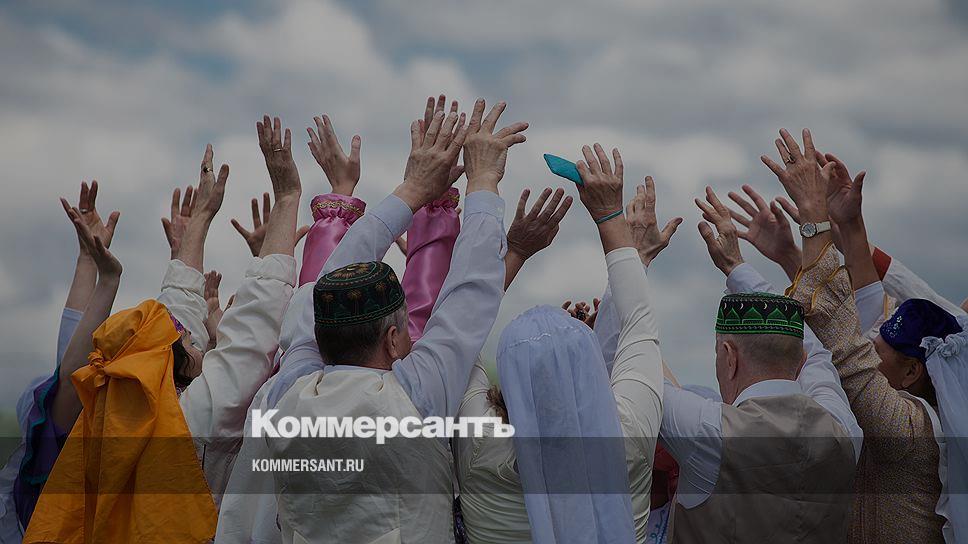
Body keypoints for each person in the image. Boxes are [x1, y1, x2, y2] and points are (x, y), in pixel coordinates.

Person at [262, 97, 525, 543]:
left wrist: (415, 189)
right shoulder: (414, 399)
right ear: (391, 339)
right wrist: (481, 179)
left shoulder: (285, 395)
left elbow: (323, 290)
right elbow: (468, 295)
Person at [764, 129, 962, 543]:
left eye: (880, 346)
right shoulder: (911, 400)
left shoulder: (909, 430)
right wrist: (849, 224)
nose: (870, 344)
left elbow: (846, 345)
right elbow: (863, 310)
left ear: (912, 372)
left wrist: (814, 217)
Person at [457, 166, 670, 543]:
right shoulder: (628, 434)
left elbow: (461, 336)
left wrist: (517, 251)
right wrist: (608, 214)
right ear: (591, 368)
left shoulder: (481, 441)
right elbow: (638, 321)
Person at [659, 174, 860, 542]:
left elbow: (638, 381)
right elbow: (815, 349)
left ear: (729, 358)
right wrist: (738, 269)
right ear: (799, 361)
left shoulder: (710, 431)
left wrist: (628, 247)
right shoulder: (842, 428)